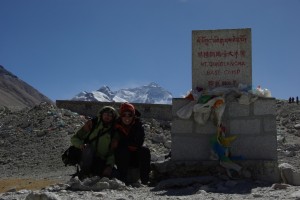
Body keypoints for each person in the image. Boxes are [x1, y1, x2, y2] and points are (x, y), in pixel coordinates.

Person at [70, 106, 119, 180]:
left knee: (115, 175)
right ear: (101, 114)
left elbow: (112, 151)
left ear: (113, 118)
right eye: (106, 114)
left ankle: (92, 173)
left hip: (101, 160)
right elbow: (74, 138)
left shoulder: (114, 131)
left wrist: (109, 166)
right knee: (88, 148)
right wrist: (80, 145)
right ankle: (84, 173)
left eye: (110, 115)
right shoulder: (92, 124)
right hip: (86, 156)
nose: (107, 116)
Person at [114, 102, 151, 185]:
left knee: (145, 150)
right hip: (121, 158)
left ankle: (145, 180)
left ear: (133, 115)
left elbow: (138, 142)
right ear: (121, 115)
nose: (127, 117)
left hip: (135, 157)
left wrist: (124, 143)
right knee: (122, 150)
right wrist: (127, 144)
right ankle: (122, 178)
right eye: (124, 114)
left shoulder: (138, 125)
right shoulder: (116, 125)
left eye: (129, 115)